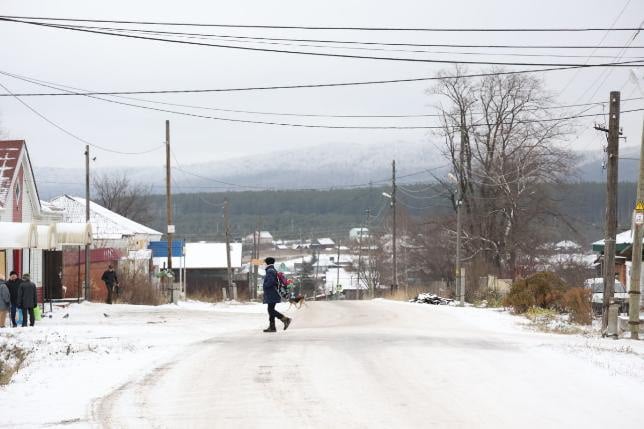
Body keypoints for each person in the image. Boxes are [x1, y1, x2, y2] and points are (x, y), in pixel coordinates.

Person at [262, 257, 291, 333]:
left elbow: (271, 281)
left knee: (270, 310)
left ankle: (285, 319)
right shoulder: (272, 269)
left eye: (264, 262)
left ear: (267, 263)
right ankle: (272, 327)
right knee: (270, 310)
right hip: (273, 292)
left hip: (272, 293)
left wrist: (265, 285)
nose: (264, 264)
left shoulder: (270, 271)